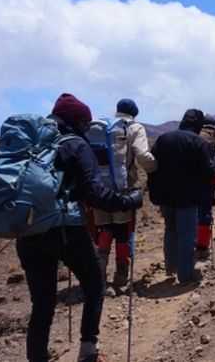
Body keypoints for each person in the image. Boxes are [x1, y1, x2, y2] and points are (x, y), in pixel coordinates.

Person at [15, 93, 144, 362]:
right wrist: (126, 201)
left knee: (42, 305)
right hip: (65, 229)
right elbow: (96, 193)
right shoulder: (75, 144)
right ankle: (88, 352)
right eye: (85, 124)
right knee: (95, 286)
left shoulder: (32, 143)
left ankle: (36, 357)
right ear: (77, 122)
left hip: (27, 232)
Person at [148, 109, 215, 283]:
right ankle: (186, 274)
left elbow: (152, 166)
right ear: (198, 124)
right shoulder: (197, 142)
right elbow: (209, 171)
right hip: (187, 196)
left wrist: (153, 190)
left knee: (170, 230)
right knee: (187, 233)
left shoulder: (164, 138)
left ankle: (170, 267)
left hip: (165, 195)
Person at [94, 98, 157, 287]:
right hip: (124, 187)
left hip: (100, 187)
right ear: (134, 113)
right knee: (123, 231)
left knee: (104, 228)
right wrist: (154, 169)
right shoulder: (134, 128)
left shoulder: (102, 128)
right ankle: (121, 274)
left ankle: (99, 272)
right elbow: (143, 154)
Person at [195, 114, 215, 260]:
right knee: (205, 211)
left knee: (192, 211)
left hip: (193, 181)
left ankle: (191, 241)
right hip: (209, 181)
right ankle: (202, 246)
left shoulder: (195, 135)